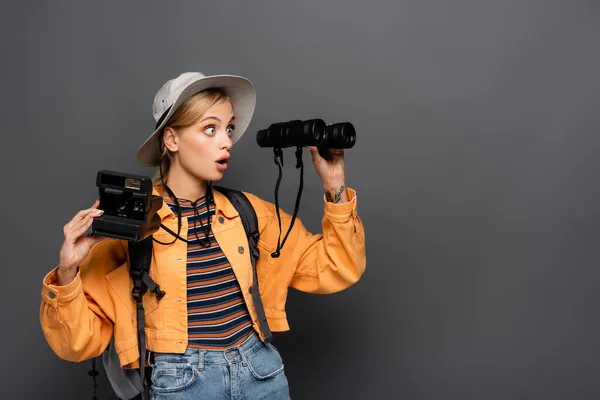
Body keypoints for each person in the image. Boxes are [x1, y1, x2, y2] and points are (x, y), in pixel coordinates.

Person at [40, 71, 366, 399]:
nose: (226, 141)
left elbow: (337, 266)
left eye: (229, 129)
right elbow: (77, 345)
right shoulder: (130, 225)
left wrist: (334, 184)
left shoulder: (248, 212)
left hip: (260, 372)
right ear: (171, 139)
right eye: (209, 129)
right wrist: (67, 273)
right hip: (182, 382)